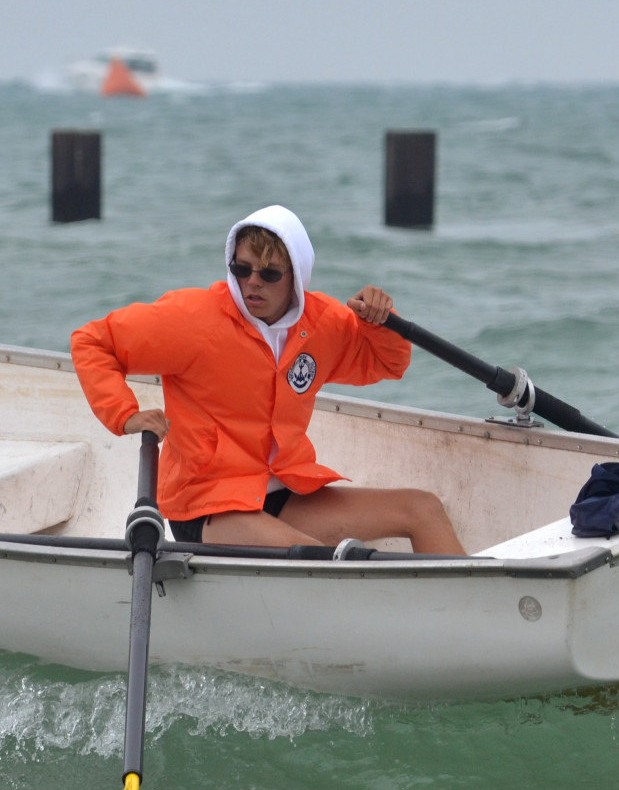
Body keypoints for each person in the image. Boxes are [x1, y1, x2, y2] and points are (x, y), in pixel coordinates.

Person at [70, 205, 464, 555]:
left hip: (285, 496)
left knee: (423, 509)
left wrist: (378, 322)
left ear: (296, 277)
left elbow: (385, 363)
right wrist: (125, 415)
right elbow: (92, 341)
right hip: (209, 506)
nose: (252, 282)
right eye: (241, 269)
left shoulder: (322, 323)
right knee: (326, 563)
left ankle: (472, 621)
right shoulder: (192, 318)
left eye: (269, 273)